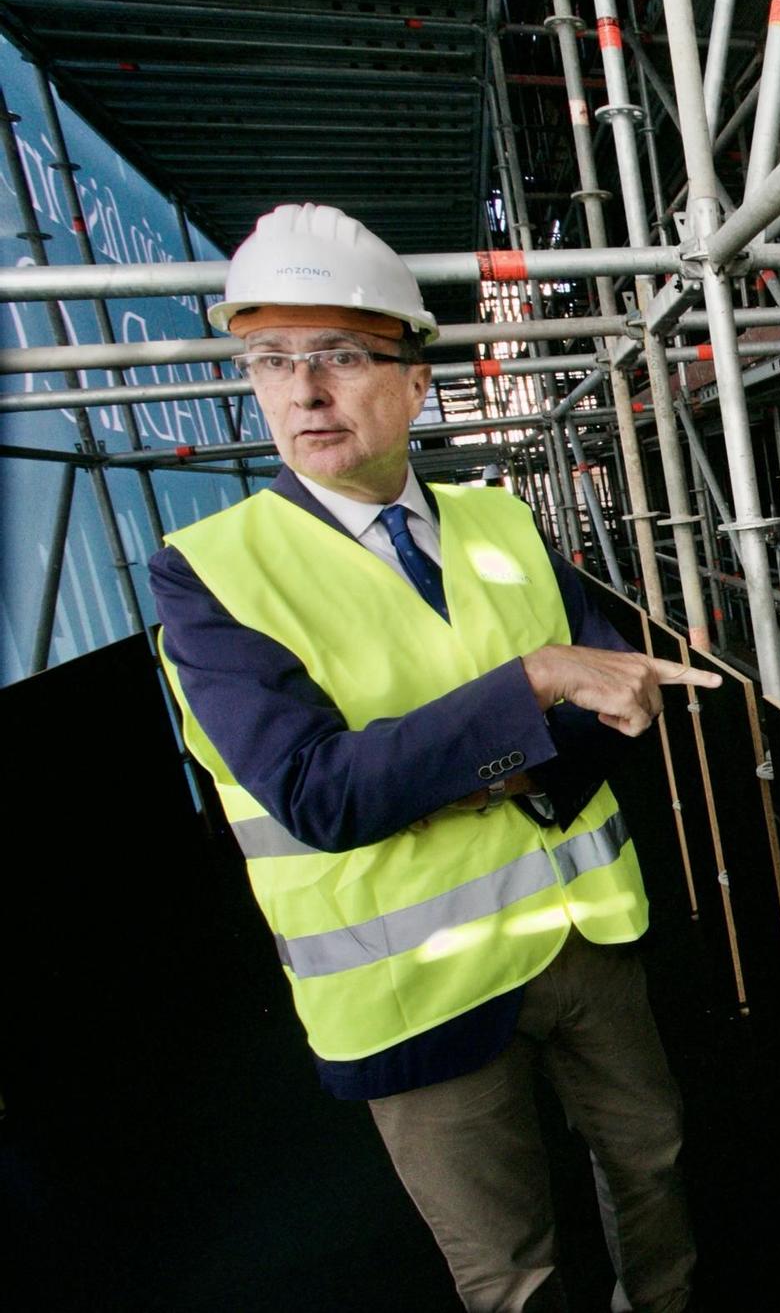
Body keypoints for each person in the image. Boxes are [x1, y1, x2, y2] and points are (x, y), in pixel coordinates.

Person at [149, 202, 716, 1313]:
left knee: (652, 1165)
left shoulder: (499, 519)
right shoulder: (210, 576)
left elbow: (613, 700)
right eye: (271, 361)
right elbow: (319, 791)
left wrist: (472, 755)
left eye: (342, 358)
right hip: (413, 983)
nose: (303, 392)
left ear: (416, 380)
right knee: (510, 1270)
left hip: (582, 932)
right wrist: (531, 686)